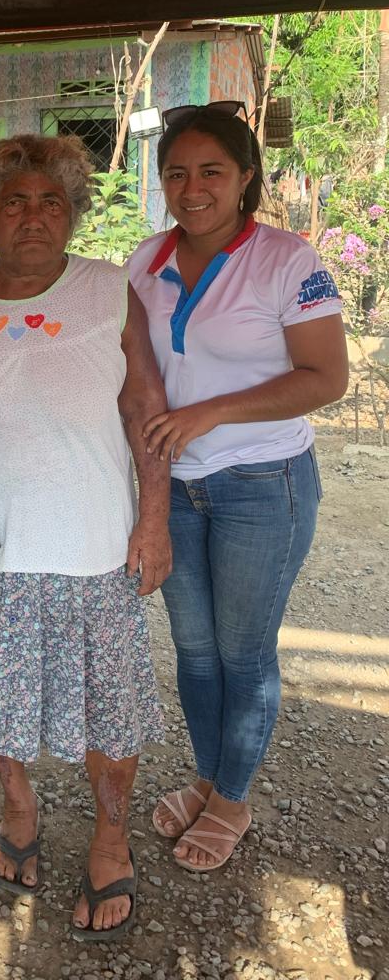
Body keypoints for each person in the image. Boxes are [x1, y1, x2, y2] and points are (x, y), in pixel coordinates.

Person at [0, 133, 171, 941]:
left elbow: (145, 411)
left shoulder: (108, 290)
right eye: (13, 202)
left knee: (110, 709)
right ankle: (19, 807)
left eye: (50, 202)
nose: (32, 217)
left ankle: (110, 836)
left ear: (74, 212)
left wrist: (154, 519)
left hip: (89, 548)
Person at [128, 101, 348, 872]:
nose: (192, 190)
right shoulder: (144, 261)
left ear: (246, 176)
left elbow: (326, 378)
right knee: (194, 650)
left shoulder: (288, 260)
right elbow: (134, 373)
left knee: (242, 651)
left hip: (264, 482)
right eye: (176, 174)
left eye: (211, 172)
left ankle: (232, 798)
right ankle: (208, 776)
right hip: (176, 487)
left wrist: (212, 411)